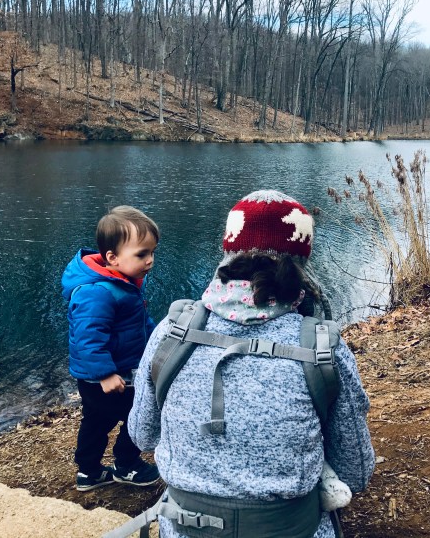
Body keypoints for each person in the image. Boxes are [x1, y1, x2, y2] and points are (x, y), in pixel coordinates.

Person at [127, 190, 375, 537]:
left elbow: (142, 435)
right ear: (301, 264)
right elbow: (356, 471)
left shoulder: (173, 330)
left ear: (228, 254)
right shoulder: (323, 346)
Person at [61, 205, 162, 492]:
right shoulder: (97, 292)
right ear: (112, 257)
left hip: (110, 374)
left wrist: (159, 341)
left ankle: (88, 472)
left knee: (97, 421)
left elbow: (140, 323)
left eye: (152, 252)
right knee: (139, 415)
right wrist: (105, 374)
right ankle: (126, 465)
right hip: (108, 378)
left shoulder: (122, 283)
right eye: (141, 254)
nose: (150, 260)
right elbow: (87, 338)